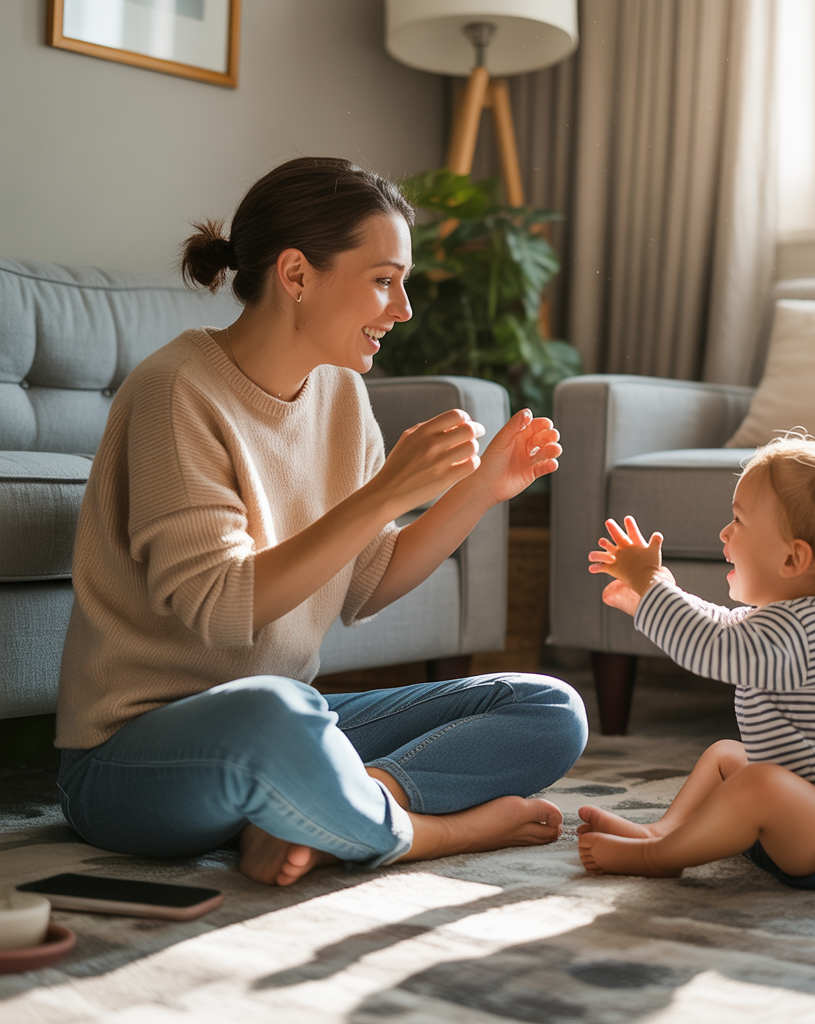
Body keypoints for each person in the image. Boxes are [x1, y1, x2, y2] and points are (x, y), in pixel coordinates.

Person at [54, 156, 587, 886]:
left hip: (286, 724)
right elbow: (222, 611)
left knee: (548, 706)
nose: (401, 309)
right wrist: (384, 493)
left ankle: (340, 808)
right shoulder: (175, 390)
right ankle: (429, 831)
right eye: (382, 279)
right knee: (276, 714)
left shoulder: (339, 392)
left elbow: (364, 585)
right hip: (132, 757)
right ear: (297, 274)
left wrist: (483, 490)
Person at [576, 435, 815, 888]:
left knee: (759, 784)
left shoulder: (807, 630)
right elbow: (723, 625)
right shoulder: (790, 617)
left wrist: (650, 582)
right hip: (797, 821)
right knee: (726, 756)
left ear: (793, 558)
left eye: (738, 520)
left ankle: (660, 856)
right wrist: (648, 598)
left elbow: (714, 646)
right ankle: (661, 832)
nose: (724, 532)